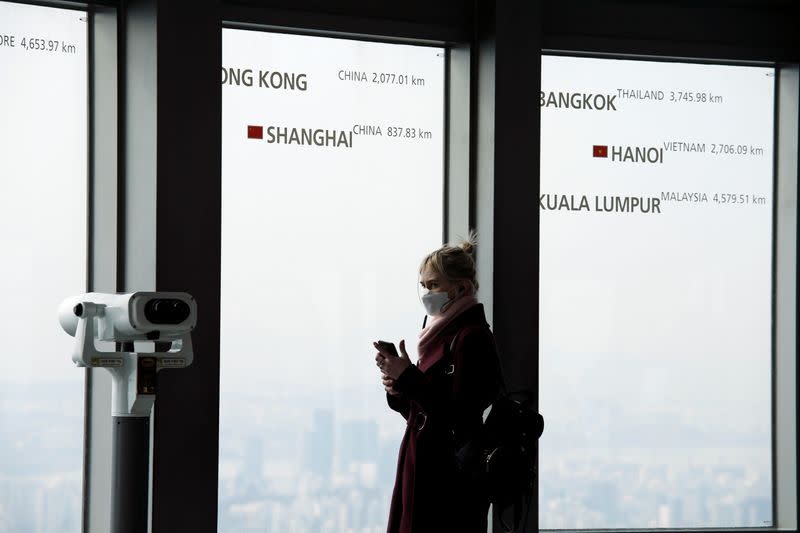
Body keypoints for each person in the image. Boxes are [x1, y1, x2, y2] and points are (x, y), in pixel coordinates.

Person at [373, 233, 503, 533]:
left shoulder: (472, 337)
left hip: (449, 475)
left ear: (461, 288)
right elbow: (420, 412)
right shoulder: (434, 334)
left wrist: (409, 377)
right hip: (422, 464)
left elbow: (458, 412)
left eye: (433, 285)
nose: (426, 293)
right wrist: (397, 383)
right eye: (424, 286)